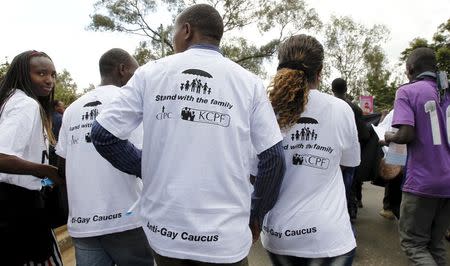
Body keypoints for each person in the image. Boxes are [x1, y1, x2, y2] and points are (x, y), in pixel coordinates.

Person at [91, 4, 285, 266]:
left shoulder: (151, 73)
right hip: (225, 238)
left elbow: (103, 135)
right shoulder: (248, 82)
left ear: (186, 30)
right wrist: (256, 213)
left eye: (173, 34)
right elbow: (273, 157)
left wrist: (146, 166)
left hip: (166, 233)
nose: (173, 41)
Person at [260, 34, 360, 266]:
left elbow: (256, 172)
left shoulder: (266, 110)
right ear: (320, 71)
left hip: (278, 236)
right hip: (329, 237)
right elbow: (350, 163)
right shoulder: (340, 109)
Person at [55, 48, 153, 265]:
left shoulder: (71, 110)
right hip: (127, 219)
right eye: (135, 72)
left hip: (83, 222)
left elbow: (63, 165)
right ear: (122, 69)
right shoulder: (133, 103)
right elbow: (150, 158)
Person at [385, 47, 450, 265]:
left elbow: (406, 134)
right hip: (448, 184)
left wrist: (388, 136)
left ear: (410, 69)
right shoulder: (446, 92)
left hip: (423, 181)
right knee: (436, 243)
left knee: (414, 244)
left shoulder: (408, 91)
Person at [0, 50, 63, 265]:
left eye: (53, 75)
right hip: (20, 209)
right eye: (41, 73)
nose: (49, 80)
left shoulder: (11, 101)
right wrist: (45, 171)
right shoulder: (25, 104)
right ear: (23, 75)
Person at [332, 78, 369, 221]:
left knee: (335, 184)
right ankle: (351, 210)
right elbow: (364, 134)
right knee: (351, 182)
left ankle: (337, 213)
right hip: (352, 151)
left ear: (332, 90)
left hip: (334, 151)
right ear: (346, 89)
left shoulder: (330, 107)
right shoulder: (355, 109)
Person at [49, 99, 65, 166]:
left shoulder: (47, 116)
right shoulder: (61, 118)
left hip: (47, 147)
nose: (63, 108)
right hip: (56, 148)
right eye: (62, 106)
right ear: (56, 107)